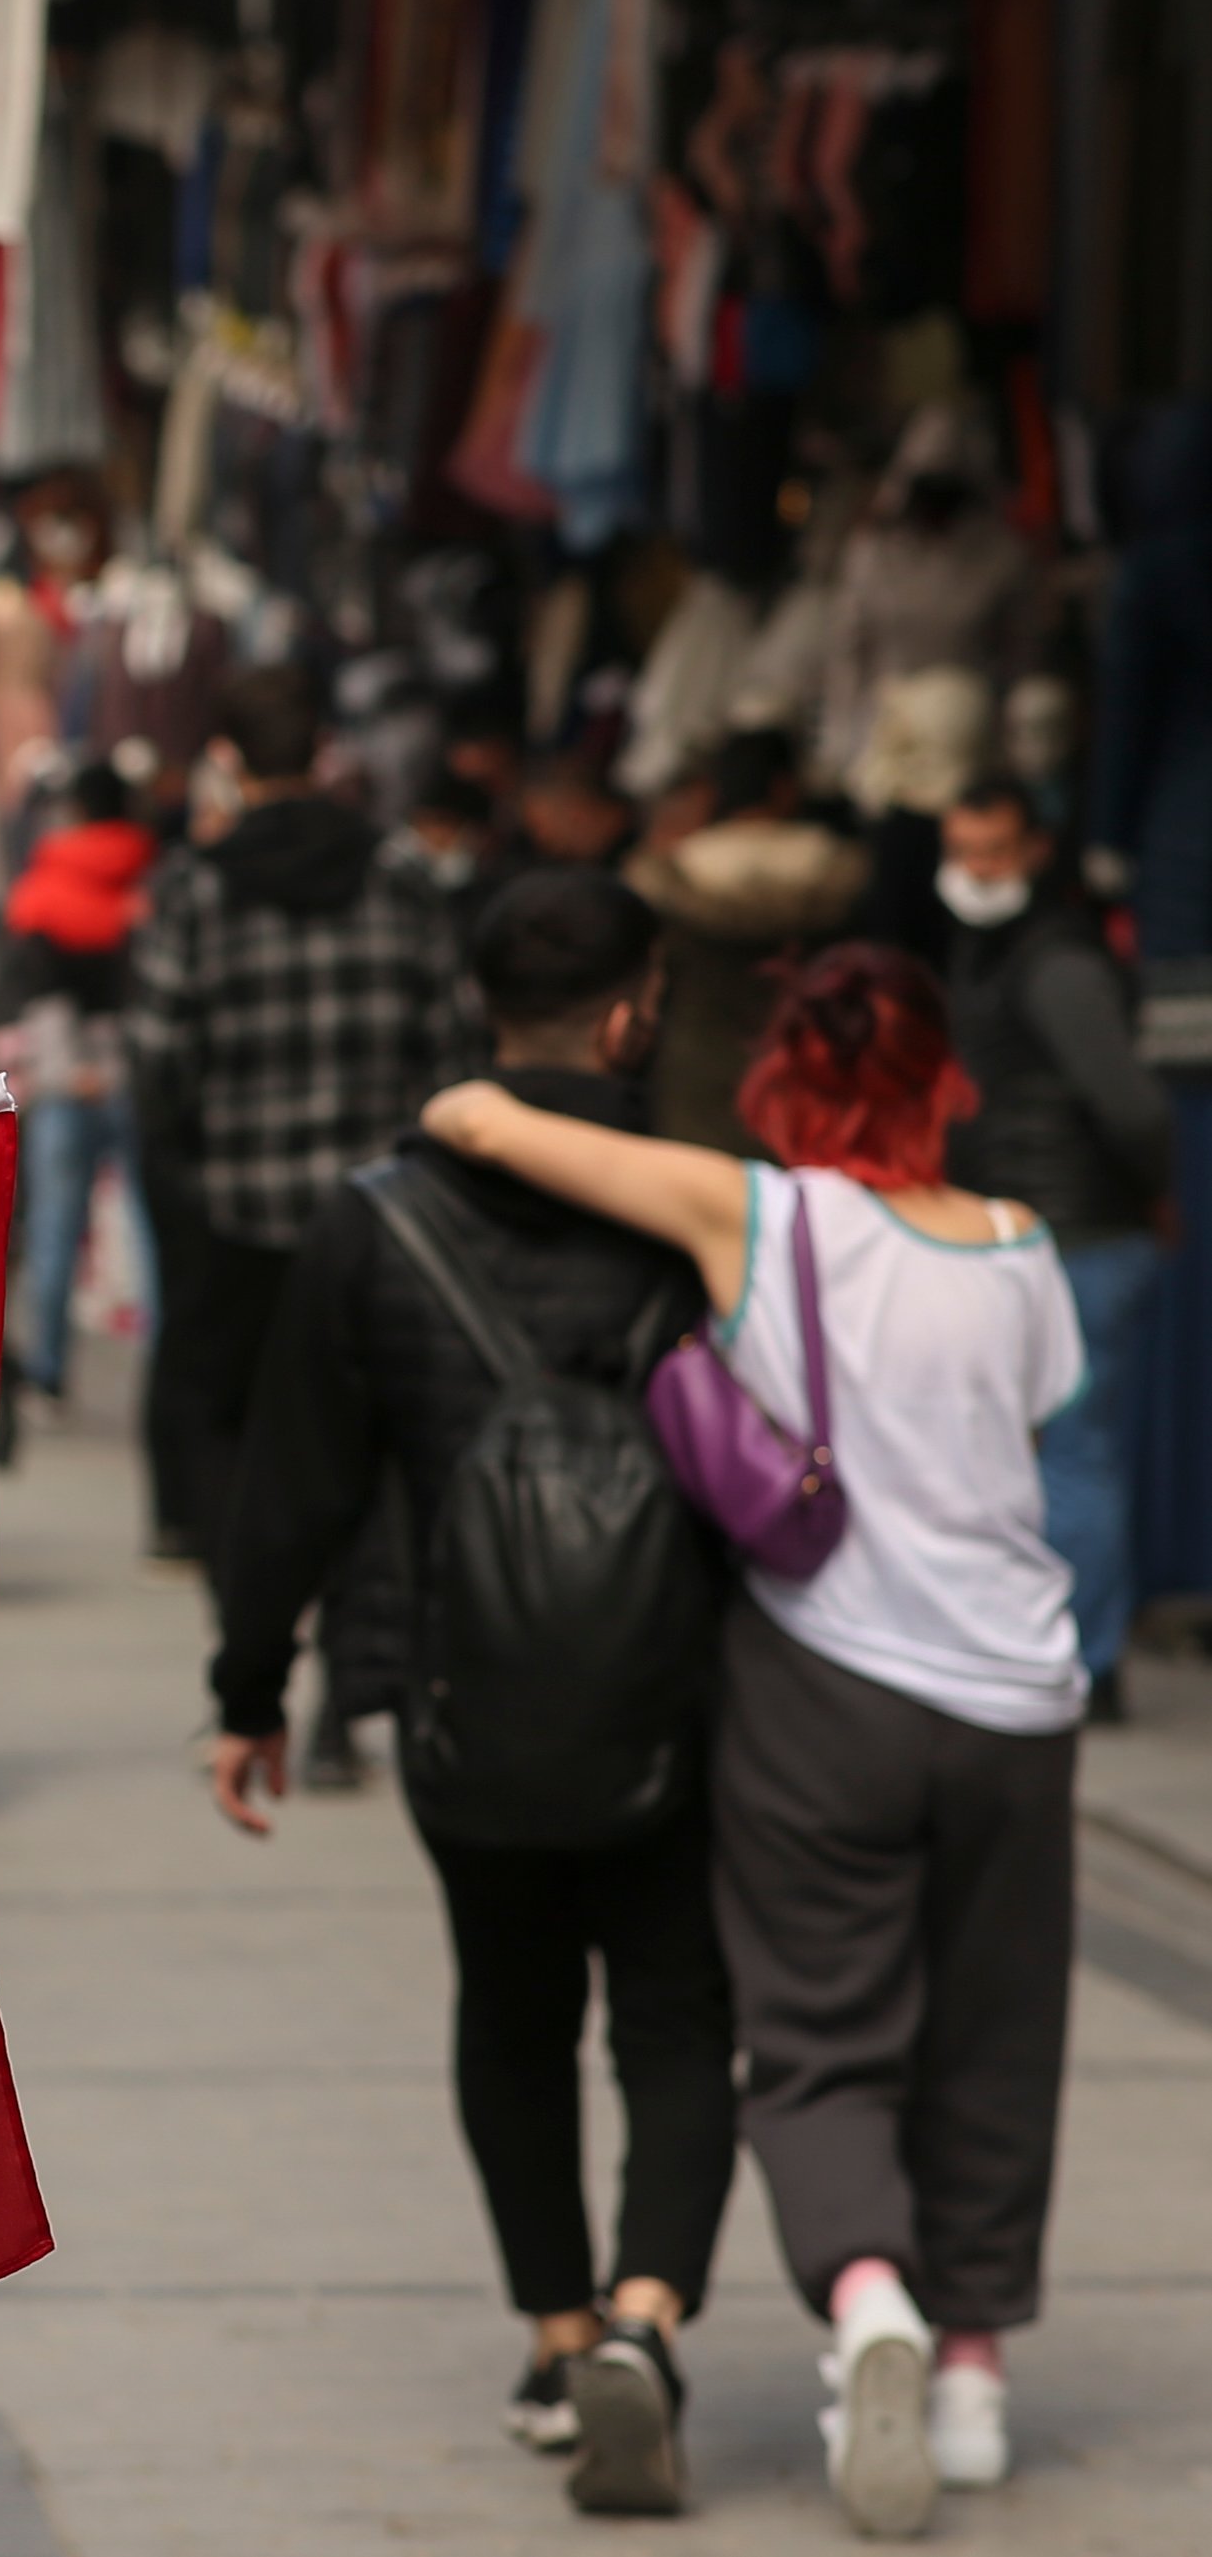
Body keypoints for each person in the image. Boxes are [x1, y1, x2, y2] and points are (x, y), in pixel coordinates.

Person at [418, 945, 1086, 2538]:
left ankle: (869, 2302)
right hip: (1017, 1700)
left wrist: (469, 1083)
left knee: (819, 2028)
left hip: (825, 1689)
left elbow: (492, 1131)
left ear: (787, 1079)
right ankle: (978, 2373)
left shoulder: (763, 1213)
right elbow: (1042, 1415)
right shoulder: (1018, 1245)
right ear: (945, 1083)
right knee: (995, 2034)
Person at [209, 871, 727, 2515]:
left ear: (472, 1010)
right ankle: (644, 2316)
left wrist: (247, 1684)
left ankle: (552, 2329)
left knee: (506, 2013)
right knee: (671, 2006)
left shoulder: (378, 1216)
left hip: (458, 1685)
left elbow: (289, 1477)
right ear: (636, 1012)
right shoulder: (705, 1203)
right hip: (673, 1683)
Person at [128, 666, 480, 1577]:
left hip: (235, 1207)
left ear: (228, 761)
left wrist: (187, 1156)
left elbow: (159, 1052)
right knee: (363, 1423)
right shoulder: (398, 871)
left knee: (233, 1413)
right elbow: (450, 1038)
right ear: (323, 750)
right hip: (376, 1204)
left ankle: (245, 1616)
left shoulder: (195, 887)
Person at [933, 779, 1174, 1717]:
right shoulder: (994, 953)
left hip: (1076, 1235)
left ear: (1034, 849)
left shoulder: (1054, 966)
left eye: (992, 852)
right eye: (961, 852)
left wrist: (1147, 1193)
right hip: (1029, 1232)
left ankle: (1086, 1655)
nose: (975, 873)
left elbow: (1130, 1107)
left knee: (1072, 1452)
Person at [0, 764, 160, 1424]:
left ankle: (47, 1370)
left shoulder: (41, 883)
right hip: (134, 1071)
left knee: (56, 1224)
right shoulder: (152, 882)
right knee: (147, 1227)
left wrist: (68, 1066)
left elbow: (30, 986)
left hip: (64, 1072)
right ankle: (156, 1367)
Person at [624, 730, 870, 1156]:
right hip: (810, 1074)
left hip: (696, 1078)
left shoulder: (671, 873)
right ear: (786, 787)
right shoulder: (841, 871)